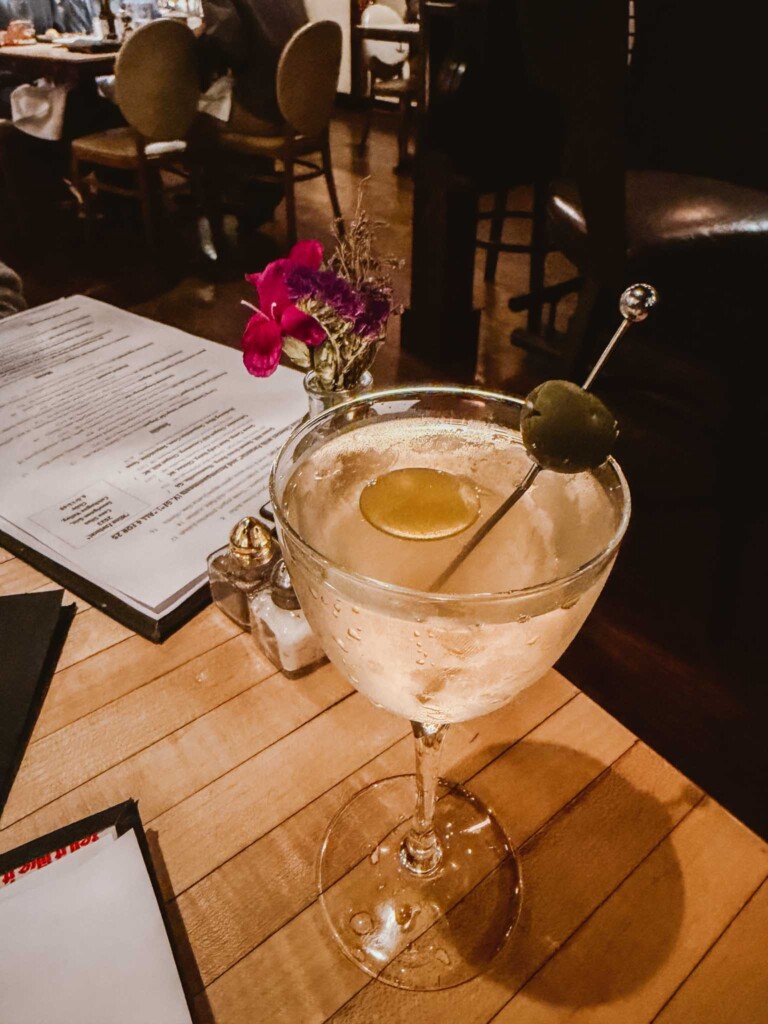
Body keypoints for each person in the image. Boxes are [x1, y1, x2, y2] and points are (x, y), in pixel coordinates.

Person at [197, 0, 307, 132]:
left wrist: (200, 40)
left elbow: (232, 49)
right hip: (306, 105)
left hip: (265, 111)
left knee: (186, 114)